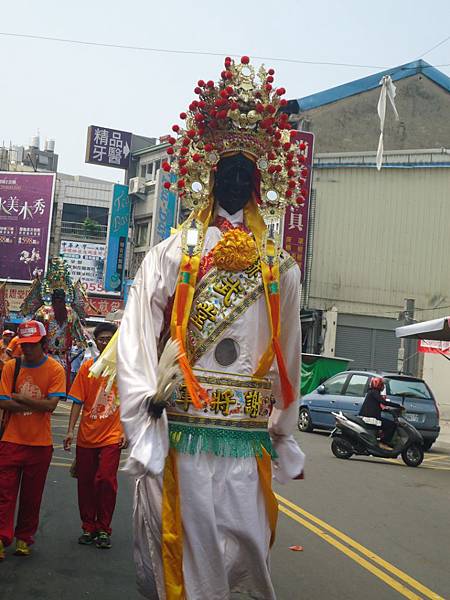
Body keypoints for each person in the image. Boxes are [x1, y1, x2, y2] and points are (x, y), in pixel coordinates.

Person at [115, 56, 305, 599]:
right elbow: (135, 336)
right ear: (210, 174)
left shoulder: (280, 267)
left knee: (246, 546)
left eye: (248, 171)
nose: (238, 179)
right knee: (185, 546)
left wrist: (283, 427)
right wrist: (143, 414)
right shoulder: (173, 252)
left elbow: (288, 353)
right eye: (229, 169)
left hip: (245, 438)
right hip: (182, 431)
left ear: (258, 181)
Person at [0, 320, 66, 560]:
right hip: (11, 440)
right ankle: (1, 537)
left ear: (43, 343)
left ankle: (24, 537)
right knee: (4, 493)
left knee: (31, 495)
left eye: (31, 345)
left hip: (40, 445)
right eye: (23, 345)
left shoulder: (55, 370)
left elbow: (51, 405)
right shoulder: (11, 367)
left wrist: (19, 397)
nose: (26, 350)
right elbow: (2, 401)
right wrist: (33, 404)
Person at [64, 322, 127, 550]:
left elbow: (131, 404)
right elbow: (77, 401)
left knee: (106, 480)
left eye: (109, 339)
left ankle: (103, 528)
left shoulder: (125, 370)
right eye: (101, 339)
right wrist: (70, 430)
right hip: (86, 437)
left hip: (112, 436)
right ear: (96, 341)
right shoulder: (87, 368)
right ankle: (88, 526)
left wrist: (127, 432)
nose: (104, 342)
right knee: (86, 484)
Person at [21, 257, 87, 386]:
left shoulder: (71, 314)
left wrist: (83, 345)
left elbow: (79, 335)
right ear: (51, 297)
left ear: (65, 297)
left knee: (58, 385)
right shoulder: (42, 311)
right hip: (45, 354)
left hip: (63, 356)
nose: (58, 300)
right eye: (55, 297)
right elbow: (33, 330)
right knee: (41, 383)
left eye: (61, 297)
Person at [359, 377, 398, 448]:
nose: (383, 386)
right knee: (391, 425)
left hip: (371, 416)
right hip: (370, 418)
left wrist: (387, 410)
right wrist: (398, 406)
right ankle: (383, 442)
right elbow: (383, 402)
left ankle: (380, 441)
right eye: (382, 385)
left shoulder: (372, 392)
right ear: (379, 385)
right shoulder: (374, 392)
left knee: (386, 425)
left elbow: (377, 405)